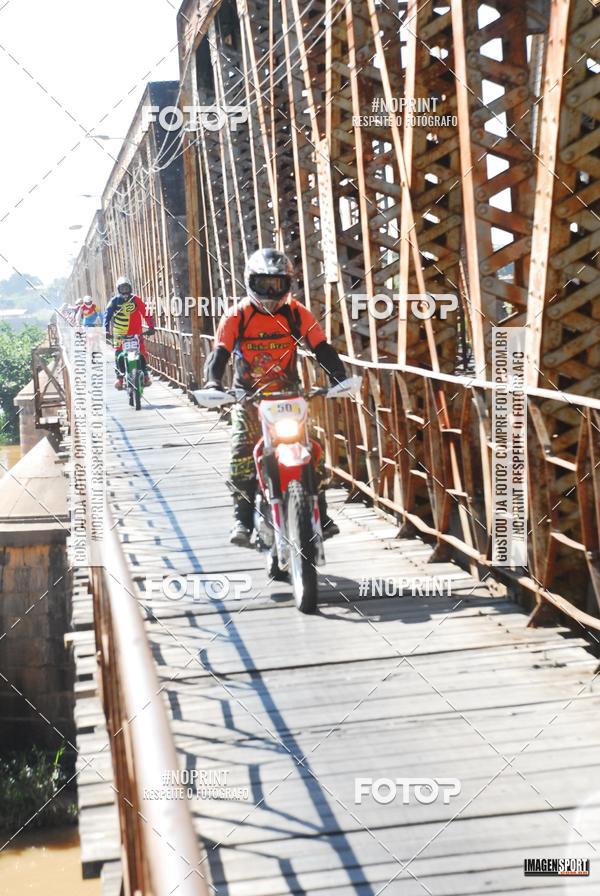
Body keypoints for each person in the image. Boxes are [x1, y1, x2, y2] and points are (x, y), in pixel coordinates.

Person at [204, 247, 346, 547]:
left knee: (312, 448)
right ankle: (242, 518)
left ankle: (321, 511)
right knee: (241, 451)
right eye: (264, 284)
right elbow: (220, 353)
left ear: (288, 285)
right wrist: (213, 383)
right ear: (250, 282)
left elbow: (321, 346)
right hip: (249, 398)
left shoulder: (296, 312)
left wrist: (339, 378)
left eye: (277, 284)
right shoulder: (237, 316)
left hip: (288, 394)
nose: (271, 291)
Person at [104, 276, 155, 390]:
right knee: (118, 354)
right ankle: (120, 379)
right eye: (122, 288)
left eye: (127, 288)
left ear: (130, 288)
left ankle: (145, 375)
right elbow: (107, 316)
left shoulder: (136, 299)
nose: (125, 291)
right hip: (119, 334)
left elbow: (146, 313)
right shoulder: (114, 301)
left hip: (136, 333)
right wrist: (106, 329)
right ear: (118, 289)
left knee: (141, 353)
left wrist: (151, 327)